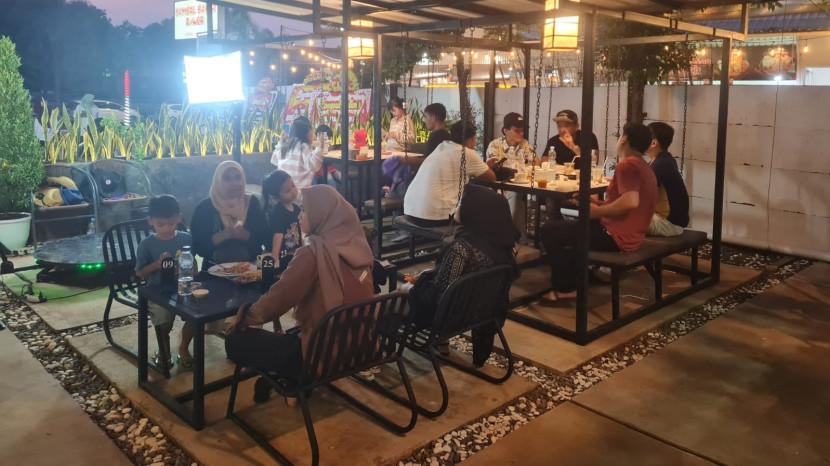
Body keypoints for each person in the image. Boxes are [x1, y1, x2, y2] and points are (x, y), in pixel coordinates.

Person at [225, 185, 375, 403]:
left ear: (322, 215)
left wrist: (244, 318)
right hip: (360, 347)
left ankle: (288, 377)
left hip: (321, 353)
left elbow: (279, 299)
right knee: (287, 335)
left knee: (235, 340)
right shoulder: (358, 245)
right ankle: (289, 380)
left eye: (305, 210)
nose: (300, 215)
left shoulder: (313, 253)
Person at [405, 184, 519, 365]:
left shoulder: (461, 249)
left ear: (474, 212)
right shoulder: (503, 247)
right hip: (483, 312)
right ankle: (441, 342)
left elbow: (441, 294)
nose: (456, 207)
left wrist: (415, 287)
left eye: (461, 203)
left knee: (399, 295)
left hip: (453, 315)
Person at [541, 122, 657, 300]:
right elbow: (627, 203)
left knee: (550, 230)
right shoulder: (644, 166)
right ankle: (583, 276)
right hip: (632, 235)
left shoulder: (628, 165)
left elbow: (630, 202)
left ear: (624, 140)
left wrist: (597, 212)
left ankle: (565, 288)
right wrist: (596, 202)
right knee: (571, 228)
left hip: (617, 237)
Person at [135, 195, 195, 368]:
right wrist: (157, 264)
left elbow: (193, 267)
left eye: (171, 223)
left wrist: (187, 269)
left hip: (182, 286)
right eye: (161, 225)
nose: (167, 228)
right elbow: (139, 273)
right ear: (151, 221)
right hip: (156, 289)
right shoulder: (147, 244)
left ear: (179, 219)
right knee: (163, 318)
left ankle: (183, 347)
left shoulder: (185, 238)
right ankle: (164, 350)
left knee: (197, 313)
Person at [403, 120, 496, 227]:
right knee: (485, 209)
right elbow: (491, 177)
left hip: (410, 211)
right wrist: (487, 167)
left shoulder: (442, 146)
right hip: (433, 217)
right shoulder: (467, 153)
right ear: (472, 139)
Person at [191, 161, 268, 271]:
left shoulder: (252, 203)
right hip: (213, 273)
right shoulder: (205, 208)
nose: (234, 183)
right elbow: (197, 248)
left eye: (238, 177)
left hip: (250, 271)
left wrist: (246, 235)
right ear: (218, 181)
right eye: (227, 179)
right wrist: (222, 236)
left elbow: (265, 240)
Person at [485, 113, 537, 242]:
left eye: (522, 130)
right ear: (505, 130)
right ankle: (512, 237)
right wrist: (496, 165)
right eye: (517, 130)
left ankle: (517, 237)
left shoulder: (525, 144)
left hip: (521, 185)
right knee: (515, 196)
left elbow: (537, 163)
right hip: (500, 187)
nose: (521, 133)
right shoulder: (495, 145)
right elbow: (492, 165)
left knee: (518, 196)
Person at [646, 122, 689, 235]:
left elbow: (641, 194)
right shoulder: (661, 160)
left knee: (618, 218)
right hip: (666, 221)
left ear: (654, 143)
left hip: (668, 224)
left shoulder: (662, 164)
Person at [270, 116, 329, 193]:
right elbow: (314, 166)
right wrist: (320, 147)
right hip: (298, 193)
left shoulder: (285, 146)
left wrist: (280, 143)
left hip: (283, 192)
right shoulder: (303, 147)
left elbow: (274, 160)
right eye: (311, 131)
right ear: (307, 134)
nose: (313, 134)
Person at [262, 170, 301, 273]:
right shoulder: (277, 212)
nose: (293, 191)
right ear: (276, 197)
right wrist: (275, 258)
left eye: (293, 186)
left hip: (294, 253)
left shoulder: (297, 208)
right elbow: (278, 235)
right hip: (282, 255)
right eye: (287, 191)